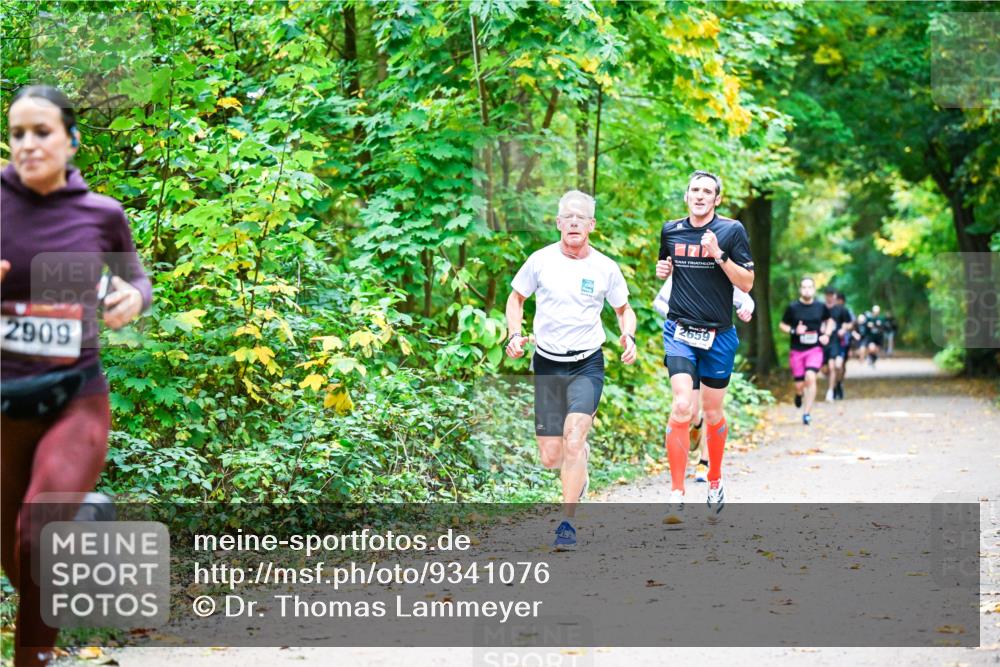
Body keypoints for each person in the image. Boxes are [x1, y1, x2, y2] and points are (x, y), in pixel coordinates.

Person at [1, 86, 152, 666]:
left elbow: (137, 281)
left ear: (71, 140)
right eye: (18, 133)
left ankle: (33, 659)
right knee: (20, 553)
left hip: (76, 400)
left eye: (42, 132)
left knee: (37, 534)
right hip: (2, 402)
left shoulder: (100, 214)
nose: (29, 144)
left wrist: (131, 302)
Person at [505, 190, 637, 549]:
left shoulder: (605, 267)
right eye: (568, 216)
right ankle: (579, 468)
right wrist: (514, 335)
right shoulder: (540, 261)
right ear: (559, 223)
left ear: (592, 225)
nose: (574, 222)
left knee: (574, 438)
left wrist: (629, 335)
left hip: (587, 363)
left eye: (582, 217)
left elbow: (624, 309)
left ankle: (567, 522)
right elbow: (516, 298)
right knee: (551, 455)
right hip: (547, 362)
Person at [656, 170, 754, 518]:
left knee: (712, 413)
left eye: (707, 191)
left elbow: (747, 282)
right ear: (686, 195)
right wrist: (662, 271)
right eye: (694, 190)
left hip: (719, 336)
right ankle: (677, 491)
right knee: (683, 406)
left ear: (717, 199)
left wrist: (719, 255)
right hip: (680, 331)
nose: (699, 195)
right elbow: (665, 266)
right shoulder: (671, 230)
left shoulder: (731, 231)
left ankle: (714, 478)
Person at [652, 272, 754, 483]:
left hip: (713, 347)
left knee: (710, 409)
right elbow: (659, 303)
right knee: (687, 409)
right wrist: (680, 318)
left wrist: (746, 310)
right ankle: (696, 426)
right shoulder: (683, 272)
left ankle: (704, 463)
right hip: (686, 345)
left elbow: (746, 299)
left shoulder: (724, 272)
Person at [779, 277, 834, 425]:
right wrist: (794, 330)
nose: (807, 290)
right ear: (800, 290)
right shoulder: (793, 308)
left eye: (810, 287)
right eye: (804, 287)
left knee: (811, 376)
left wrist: (826, 335)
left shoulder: (821, 307)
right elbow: (782, 325)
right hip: (797, 350)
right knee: (799, 386)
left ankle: (807, 413)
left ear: (814, 290)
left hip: (814, 349)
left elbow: (830, 321)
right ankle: (798, 394)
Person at [821, 287, 852, 401]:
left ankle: (831, 390)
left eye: (832, 295)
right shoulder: (820, 308)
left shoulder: (841, 309)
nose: (829, 297)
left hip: (836, 341)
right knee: (825, 369)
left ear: (835, 296)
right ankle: (836, 383)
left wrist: (844, 329)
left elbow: (850, 323)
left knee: (834, 366)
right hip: (822, 342)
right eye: (827, 295)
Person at [833, 291, 855, 398]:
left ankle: (839, 383)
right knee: (834, 365)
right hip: (833, 342)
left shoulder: (847, 312)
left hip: (844, 342)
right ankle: (835, 385)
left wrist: (844, 328)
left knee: (842, 365)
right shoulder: (829, 310)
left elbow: (852, 326)